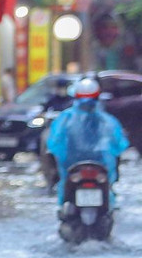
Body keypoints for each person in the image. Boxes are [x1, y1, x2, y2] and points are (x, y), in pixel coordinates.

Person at [46, 76, 127, 206]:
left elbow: (54, 143)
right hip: (96, 163)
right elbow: (119, 144)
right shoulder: (106, 120)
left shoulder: (66, 118)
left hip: (75, 163)